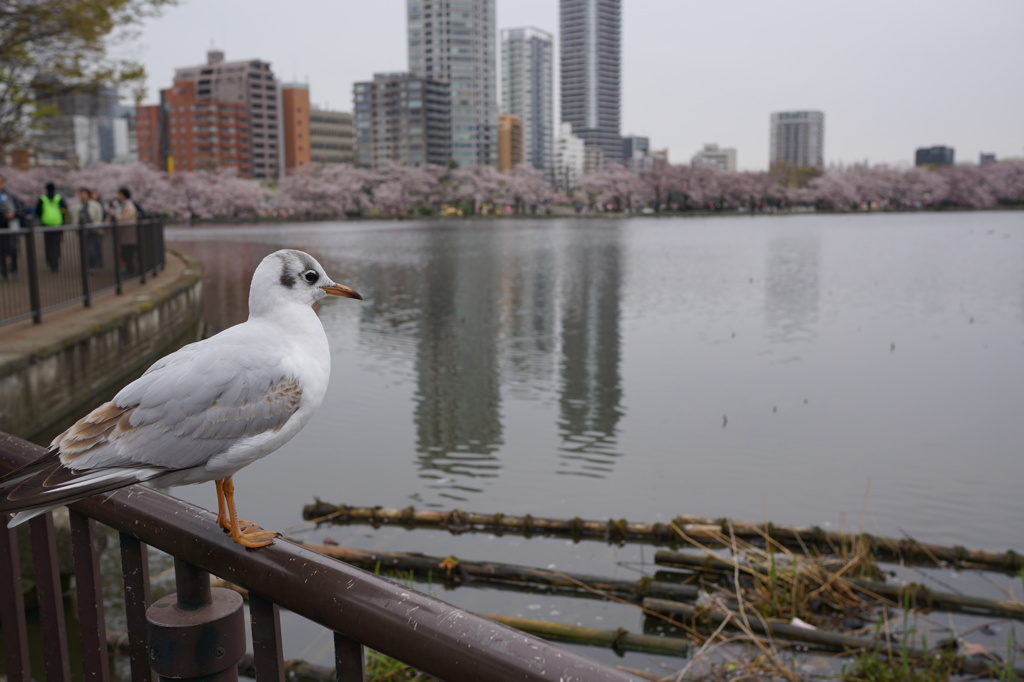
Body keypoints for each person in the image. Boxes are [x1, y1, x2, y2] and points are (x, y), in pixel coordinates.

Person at [36, 182, 68, 273]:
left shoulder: (42, 198)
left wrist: (42, 218)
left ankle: (49, 260)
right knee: (56, 243)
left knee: (48, 244)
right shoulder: (59, 198)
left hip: (46, 224)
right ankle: (55, 261)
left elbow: (38, 211)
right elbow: (64, 210)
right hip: (57, 224)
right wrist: (63, 222)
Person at [112, 187, 138, 275]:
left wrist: (113, 216)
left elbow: (125, 218)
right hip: (125, 233)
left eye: (120, 195)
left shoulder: (129, 206)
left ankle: (131, 270)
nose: (118, 197)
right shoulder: (124, 205)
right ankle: (129, 269)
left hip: (128, 233)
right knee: (125, 252)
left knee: (128, 253)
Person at [78, 187, 104, 272]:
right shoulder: (78, 205)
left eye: (83, 193)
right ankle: (88, 265)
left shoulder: (95, 205)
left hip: (93, 231)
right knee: (86, 249)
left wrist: (96, 227)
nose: (82, 195)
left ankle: (92, 265)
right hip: (83, 231)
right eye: (81, 193)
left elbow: (99, 218)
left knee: (92, 249)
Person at [0, 175, 20, 281]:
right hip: (2, 226)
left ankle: (14, 270)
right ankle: (3, 273)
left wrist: (13, 215)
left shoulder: (11, 195)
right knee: (1, 251)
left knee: (13, 249)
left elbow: (20, 209)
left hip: (11, 225)